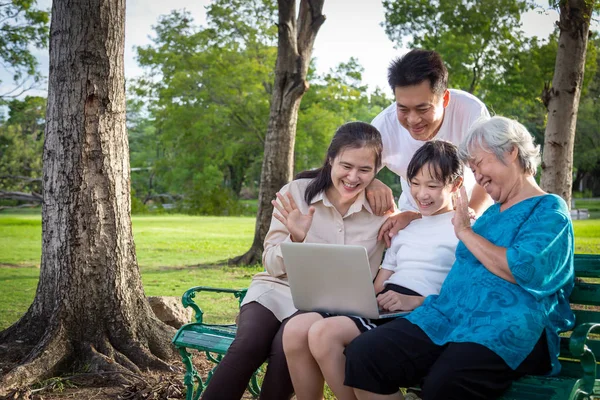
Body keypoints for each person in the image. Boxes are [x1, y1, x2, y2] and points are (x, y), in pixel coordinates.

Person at [343, 116, 576, 400]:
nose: (477, 176)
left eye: (480, 163)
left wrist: (466, 232)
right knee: (365, 354)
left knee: (445, 384)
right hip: (451, 317)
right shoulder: (490, 216)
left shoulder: (548, 209)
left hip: (508, 326)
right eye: (473, 168)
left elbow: (525, 269)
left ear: (511, 152)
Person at [200, 122, 388, 400]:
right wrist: (295, 240)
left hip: (321, 305)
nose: (353, 177)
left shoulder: (381, 210)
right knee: (249, 343)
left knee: (285, 346)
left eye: (364, 170)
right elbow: (270, 263)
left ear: (376, 171)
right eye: (345, 166)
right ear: (330, 160)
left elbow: (424, 219)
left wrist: (406, 216)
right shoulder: (298, 193)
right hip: (273, 291)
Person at [283, 140, 465, 400]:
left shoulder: (464, 230)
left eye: (432, 186)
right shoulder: (405, 227)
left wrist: (417, 301)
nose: (422, 194)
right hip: (384, 304)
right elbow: (382, 282)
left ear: (455, 185)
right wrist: (354, 298)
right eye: (415, 184)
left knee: (324, 334)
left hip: (421, 310)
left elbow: (466, 292)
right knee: (302, 325)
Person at [365, 49, 492, 244]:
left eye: (423, 109)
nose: (413, 119)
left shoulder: (471, 112)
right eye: (403, 109)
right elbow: (347, 170)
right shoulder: (383, 127)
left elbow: (490, 171)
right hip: (415, 218)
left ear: (445, 99)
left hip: (471, 214)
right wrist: (370, 182)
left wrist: (467, 220)